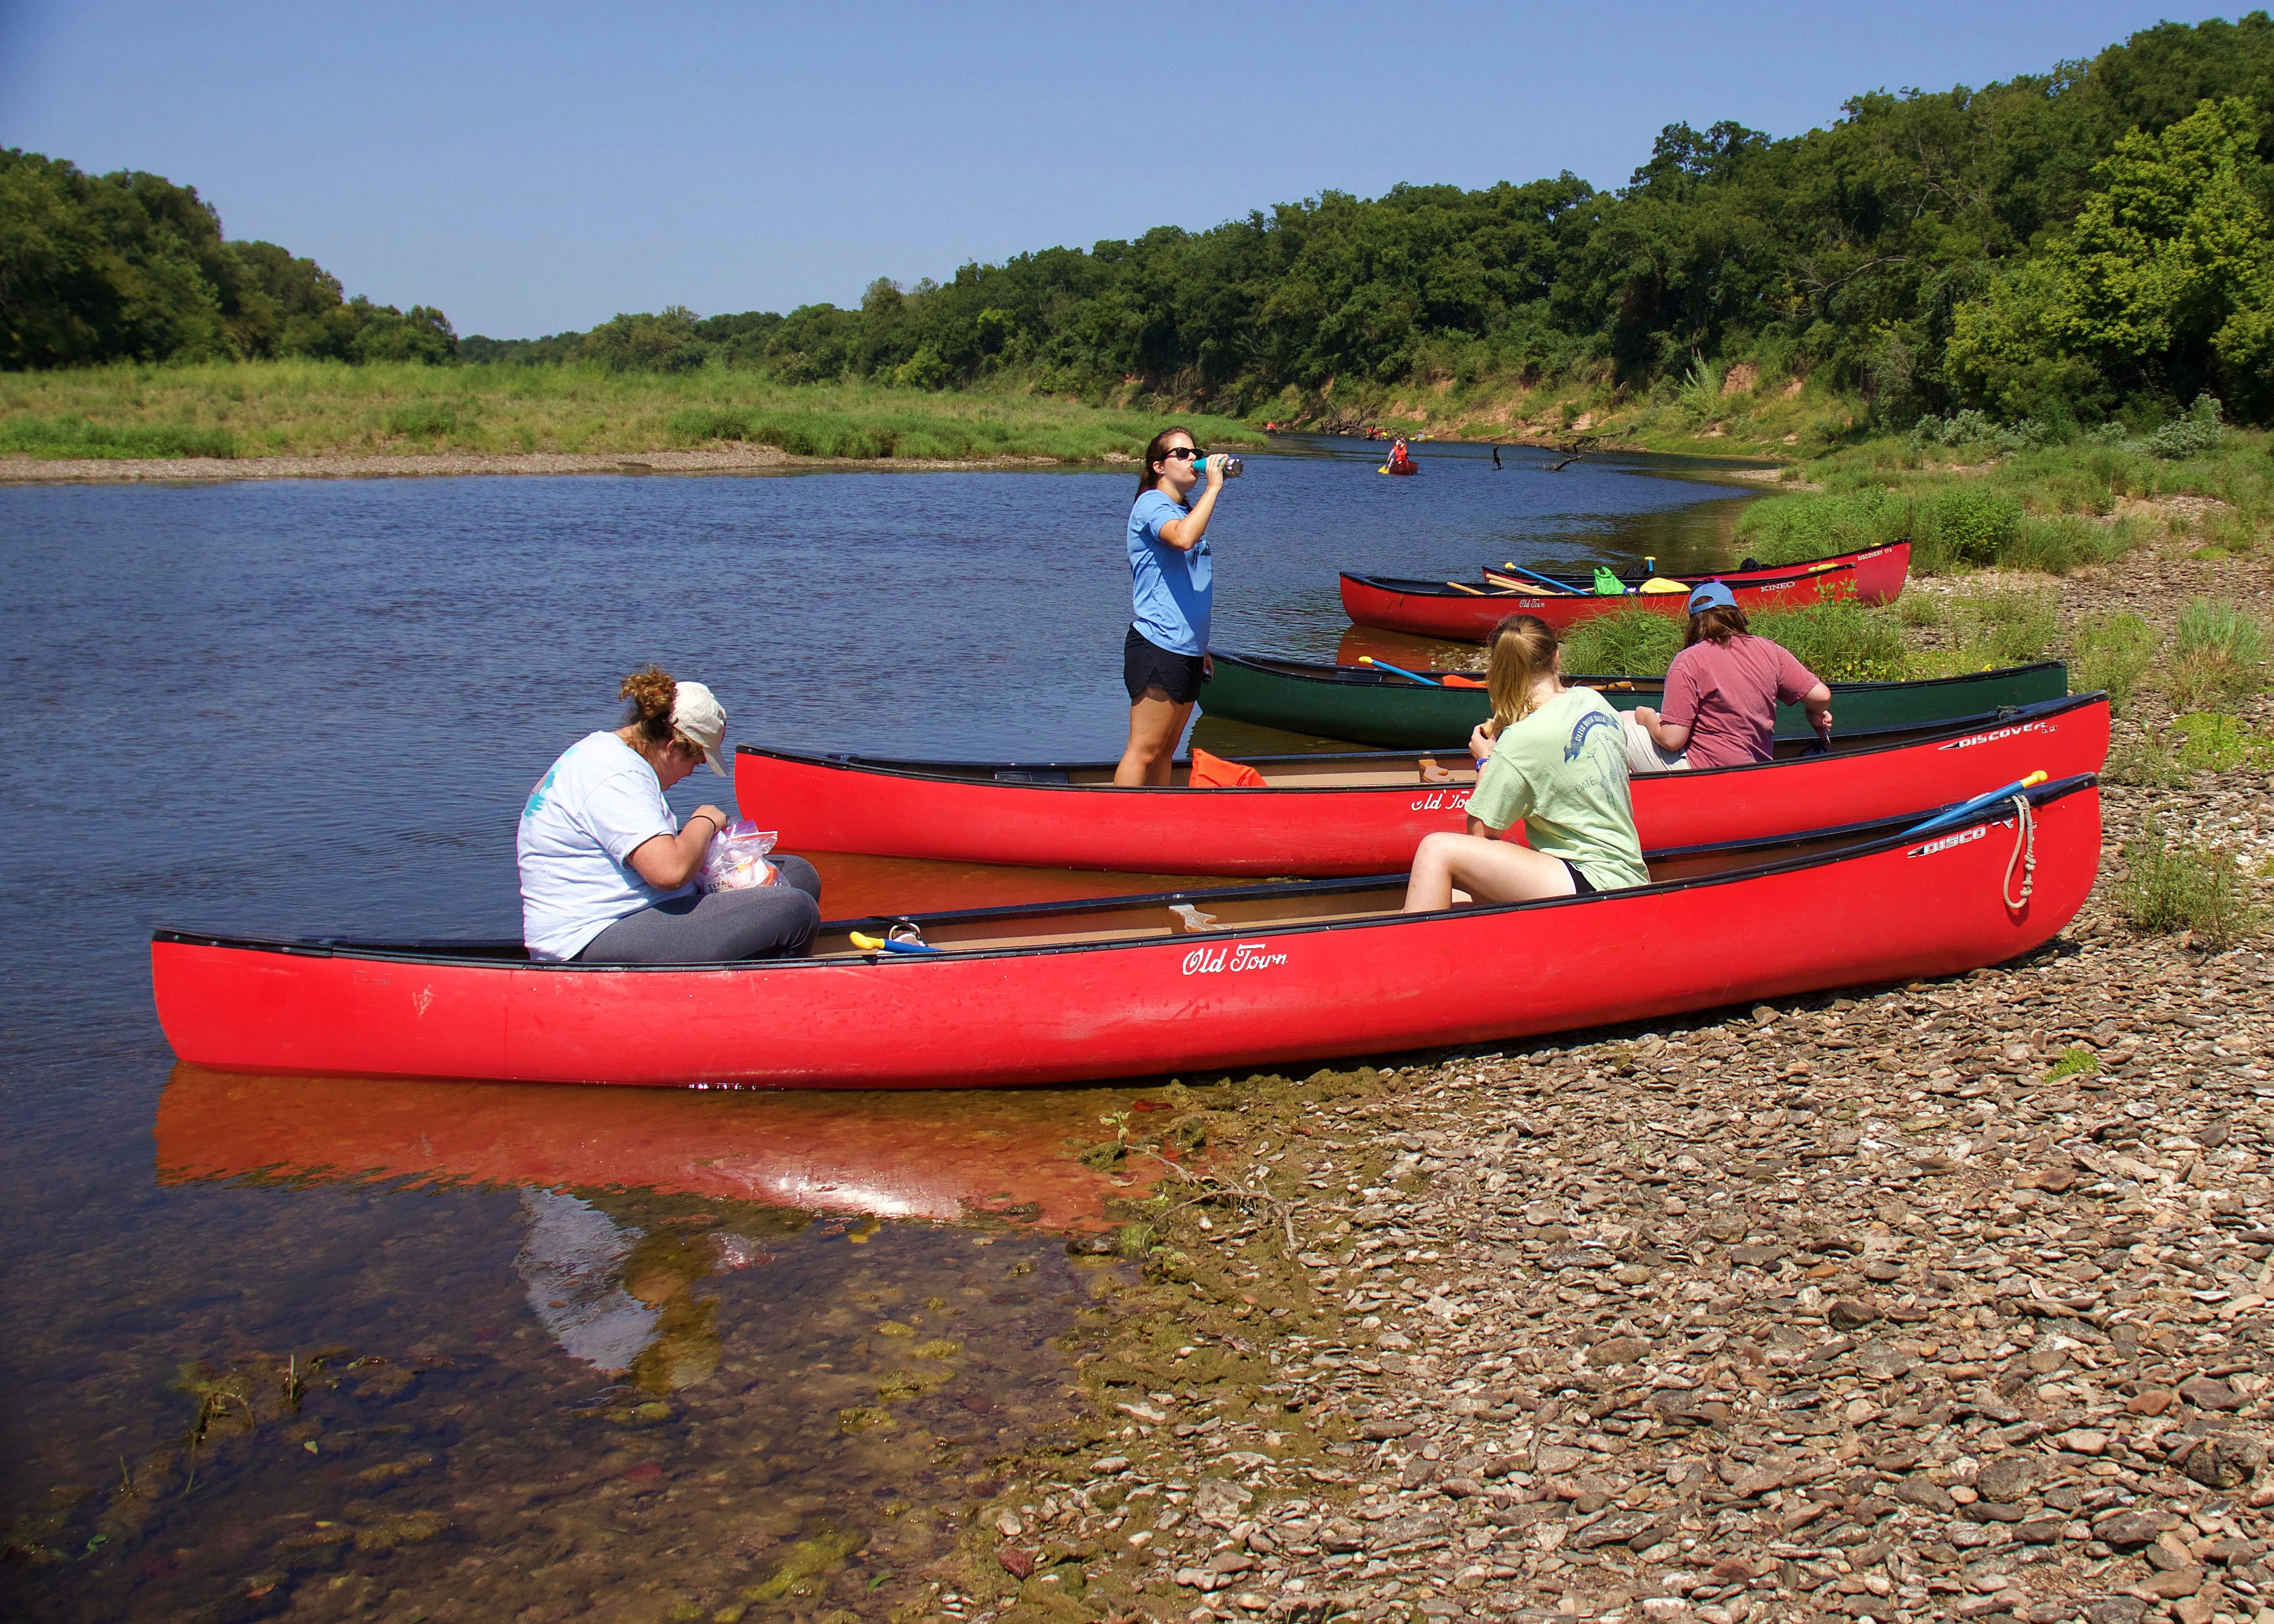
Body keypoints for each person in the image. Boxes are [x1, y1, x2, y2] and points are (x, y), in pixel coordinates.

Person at [518, 665, 822, 963]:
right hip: (590, 935)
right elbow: (669, 873)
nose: (692, 773)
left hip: (635, 912)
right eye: (697, 762)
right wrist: (703, 822)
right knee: (795, 910)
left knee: (795, 875)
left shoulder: (615, 758)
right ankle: (749, 1000)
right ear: (673, 746)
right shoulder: (613, 774)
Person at [1402, 615, 1650, 912]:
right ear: (1556, 658)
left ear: (1502, 671)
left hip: (1592, 882)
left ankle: (1411, 954)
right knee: (1453, 899)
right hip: (1628, 873)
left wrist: (1485, 760)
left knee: (1437, 851)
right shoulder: (1592, 701)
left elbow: (1481, 834)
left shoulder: (1520, 741)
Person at [1623, 582, 1835, 772]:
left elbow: (1672, 739)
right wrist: (1813, 711)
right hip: (1755, 763)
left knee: (1614, 726)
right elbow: (1822, 696)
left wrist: (1647, 717)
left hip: (1706, 769)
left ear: (1695, 622)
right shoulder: (1770, 650)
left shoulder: (1689, 660)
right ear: (1735, 614)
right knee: (1627, 717)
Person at [1116, 426, 1225, 787]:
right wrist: (1213, 488)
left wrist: (1200, 645)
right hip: (1157, 645)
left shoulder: (1181, 509)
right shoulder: (1151, 503)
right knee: (1144, 750)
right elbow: (1181, 538)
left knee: (1165, 752)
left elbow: (1184, 585)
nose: (1192, 458)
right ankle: (1118, 825)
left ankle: (1152, 826)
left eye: (1196, 452)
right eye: (1182, 453)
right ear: (1158, 466)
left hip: (1188, 648)